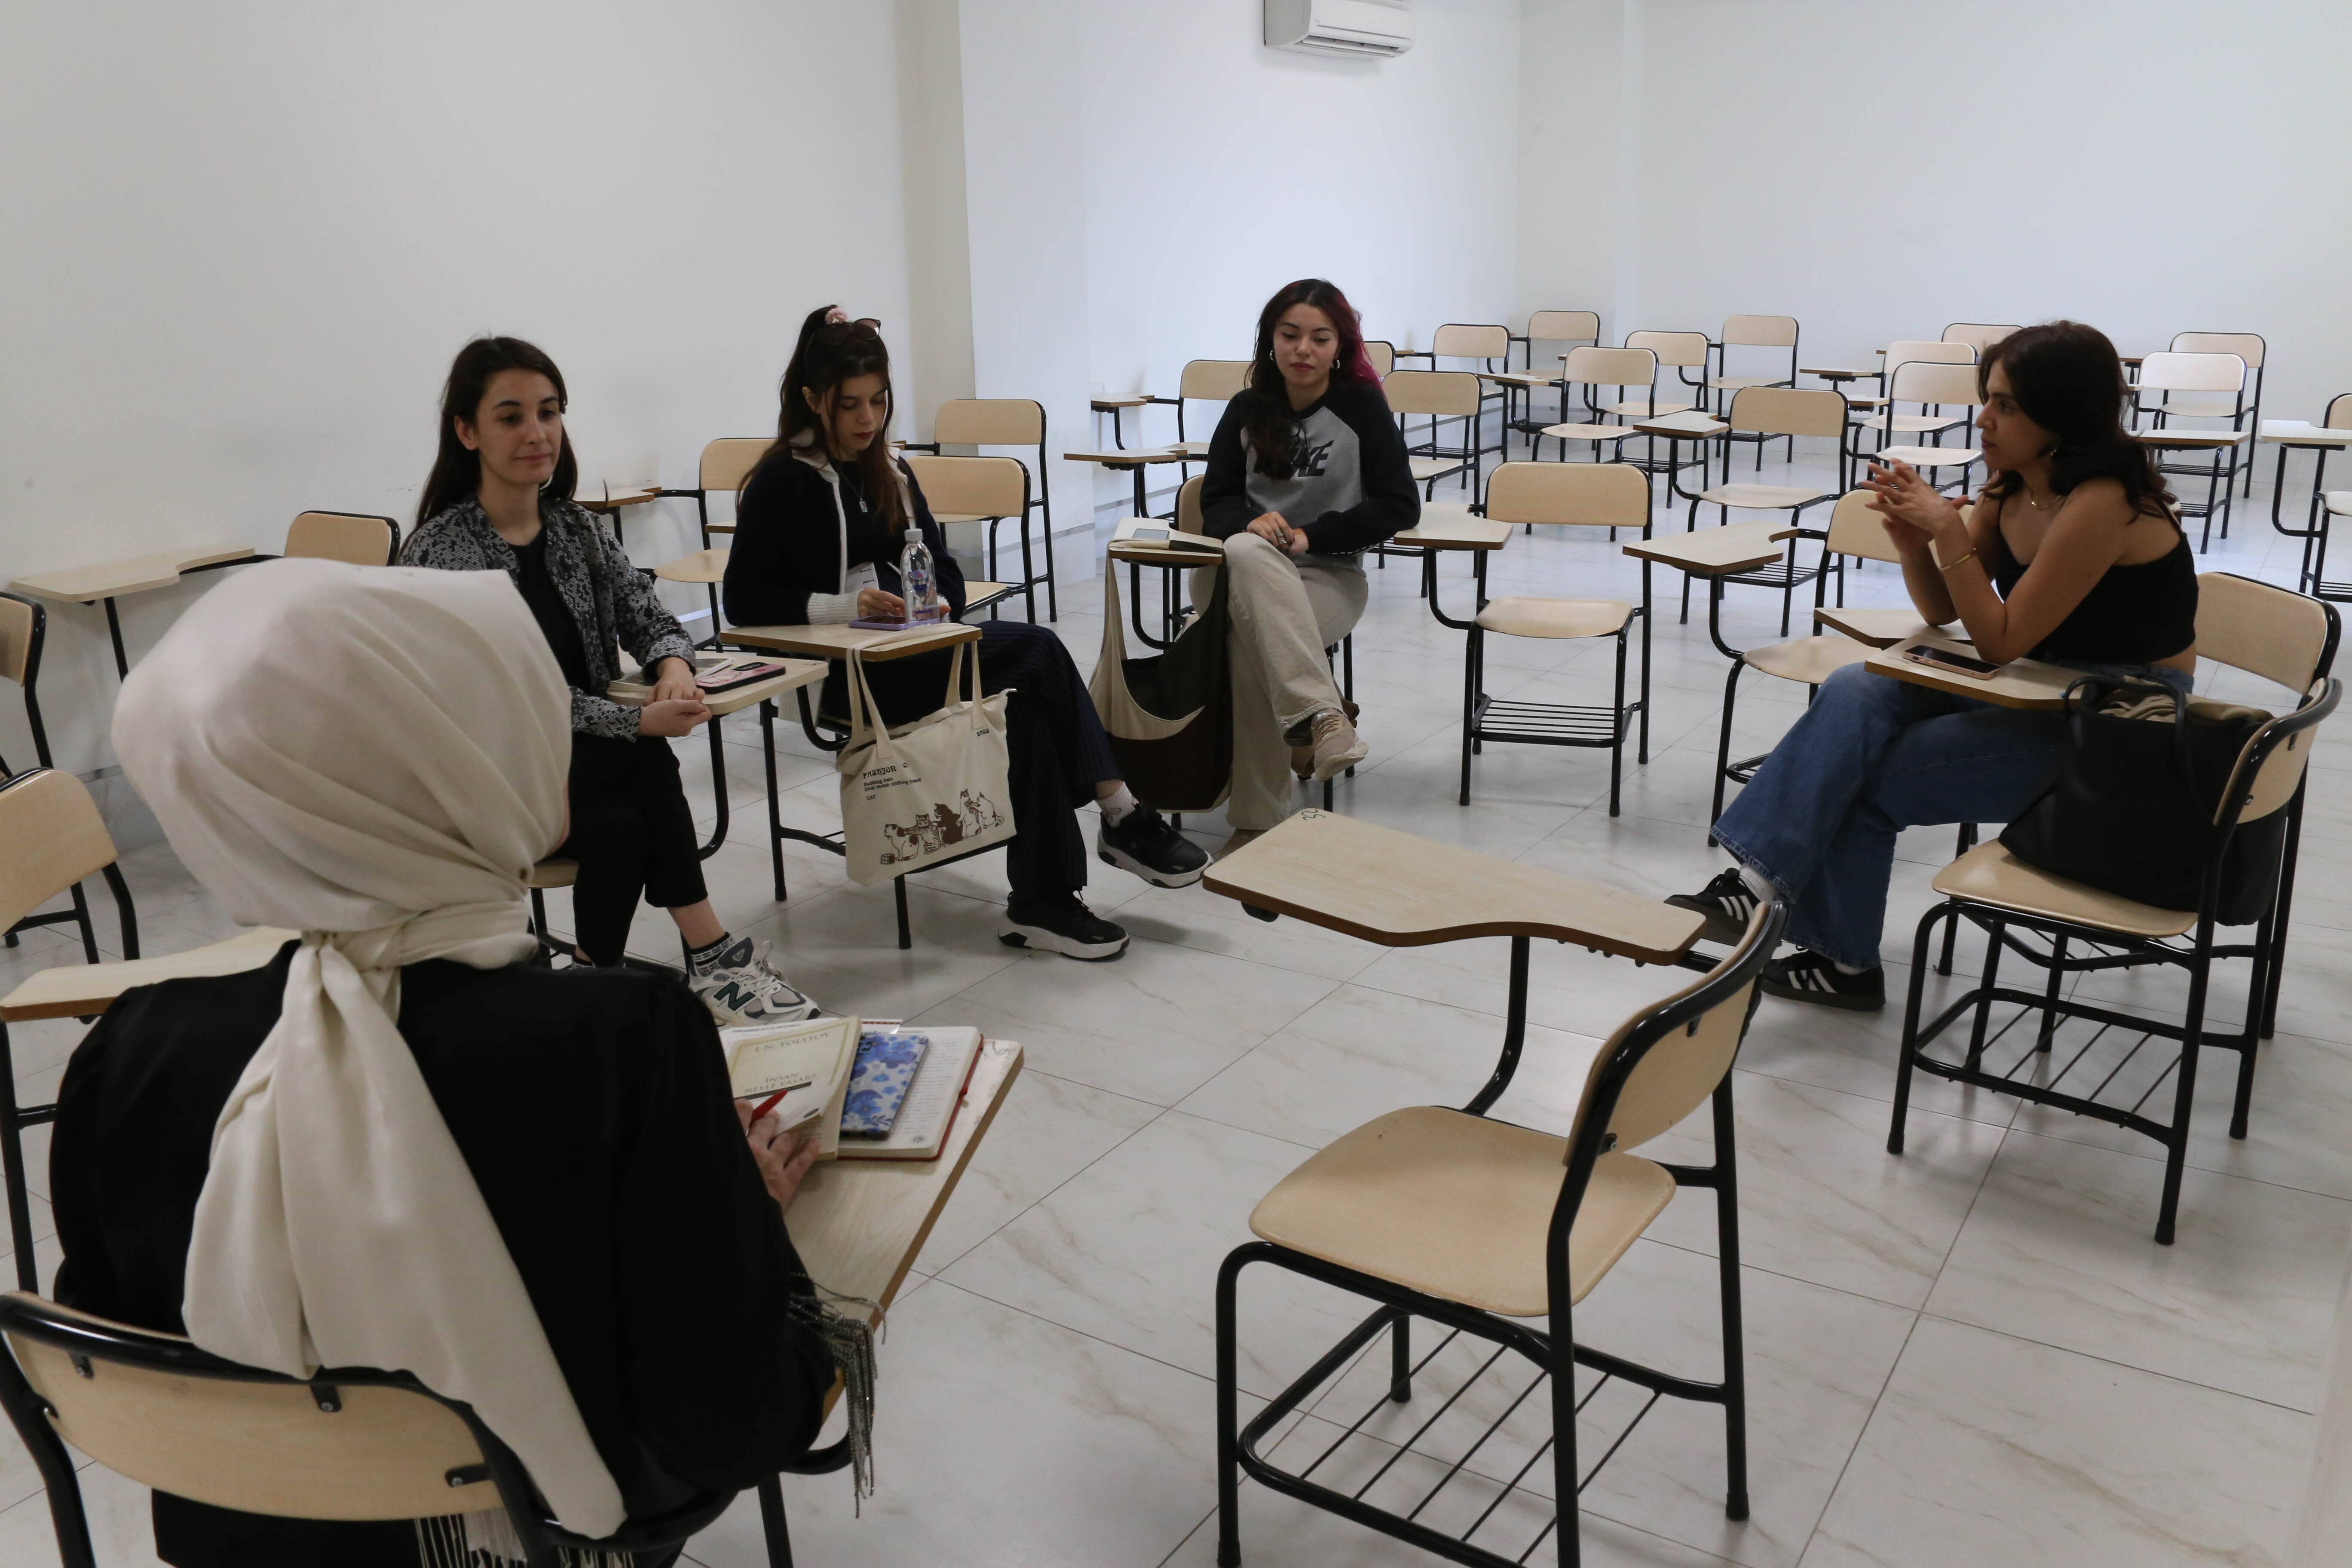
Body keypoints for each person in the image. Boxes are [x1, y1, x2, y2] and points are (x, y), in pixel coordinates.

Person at [51, 558, 856, 1568]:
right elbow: (735, 1425)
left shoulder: (129, 1050)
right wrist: (744, 1218)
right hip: (542, 1532)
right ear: (458, 765)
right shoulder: (622, 1042)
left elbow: (122, 1361)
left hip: (246, 1537)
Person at [1668, 320, 2199, 1009]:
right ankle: (1757, 887)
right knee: (1857, 686)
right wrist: (1915, 545)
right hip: (2041, 686)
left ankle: (1840, 961)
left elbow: (2000, 639)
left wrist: (1948, 528)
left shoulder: (2104, 503)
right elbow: (1946, 609)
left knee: (1869, 777)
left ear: (2062, 415)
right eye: (1988, 399)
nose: (1984, 420)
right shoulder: (2014, 487)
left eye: (2006, 405)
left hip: (2120, 721)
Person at [724, 312, 1207, 960]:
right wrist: (843, 606)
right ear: (814, 401)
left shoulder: (890, 468)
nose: (868, 419)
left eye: (878, 401)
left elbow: (945, 567)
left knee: (1029, 710)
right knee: (1038, 648)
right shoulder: (783, 480)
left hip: (919, 651)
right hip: (846, 675)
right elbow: (743, 599)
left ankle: (1043, 902)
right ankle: (1120, 812)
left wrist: (934, 599)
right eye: (850, 405)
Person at [403, 336, 818, 1024]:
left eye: (549, 412)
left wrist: (674, 667)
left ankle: (593, 988)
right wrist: (635, 721)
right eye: (511, 417)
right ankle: (712, 955)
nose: (537, 433)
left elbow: (649, 615)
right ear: (467, 432)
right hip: (490, 783)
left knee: (624, 828)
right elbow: (508, 700)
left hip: (582, 775)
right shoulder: (441, 553)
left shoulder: (576, 529)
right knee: (640, 755)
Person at [1199, 278, 1418, 854]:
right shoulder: (1246, 409)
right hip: (1236, 577)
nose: (1303, 350)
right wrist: (1250, 523)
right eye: (1290, 335)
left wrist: (1309, 535)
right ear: (1270, 339)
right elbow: (1215, 503)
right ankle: (1322, 714)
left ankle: (1256, 822)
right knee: (1246, 550)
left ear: (1340, 345)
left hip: (1328, 575)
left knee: (1247, 652)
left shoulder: (1361, 407)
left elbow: (1400, 506)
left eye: (1320, 339)